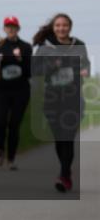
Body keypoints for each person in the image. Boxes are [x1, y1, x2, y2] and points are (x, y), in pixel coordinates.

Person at [32, 13, 90, 193]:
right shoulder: (44, 48)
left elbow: (85, 64)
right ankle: (66, 171)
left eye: (65, 25)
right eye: (58, 25)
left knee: (68, 137)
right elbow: (36, 70)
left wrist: (85, 70)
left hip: (72, 99)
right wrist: (53, 65)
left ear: (70, 27)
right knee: (59, 139)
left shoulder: (79, 45)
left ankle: (64, 175)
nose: (61, 28)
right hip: (52, 99)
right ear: (53, 27)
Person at [0, 16, 32, 170]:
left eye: (13, 26)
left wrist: (20, 59)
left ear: (18, 29)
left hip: (21, 91)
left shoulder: (26, 47)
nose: (11, 29)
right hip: (2, 90)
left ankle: (12, 157)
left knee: (14, 125)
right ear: (4, 29)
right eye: (8, 26)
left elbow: (30, 72)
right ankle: (1, 148)